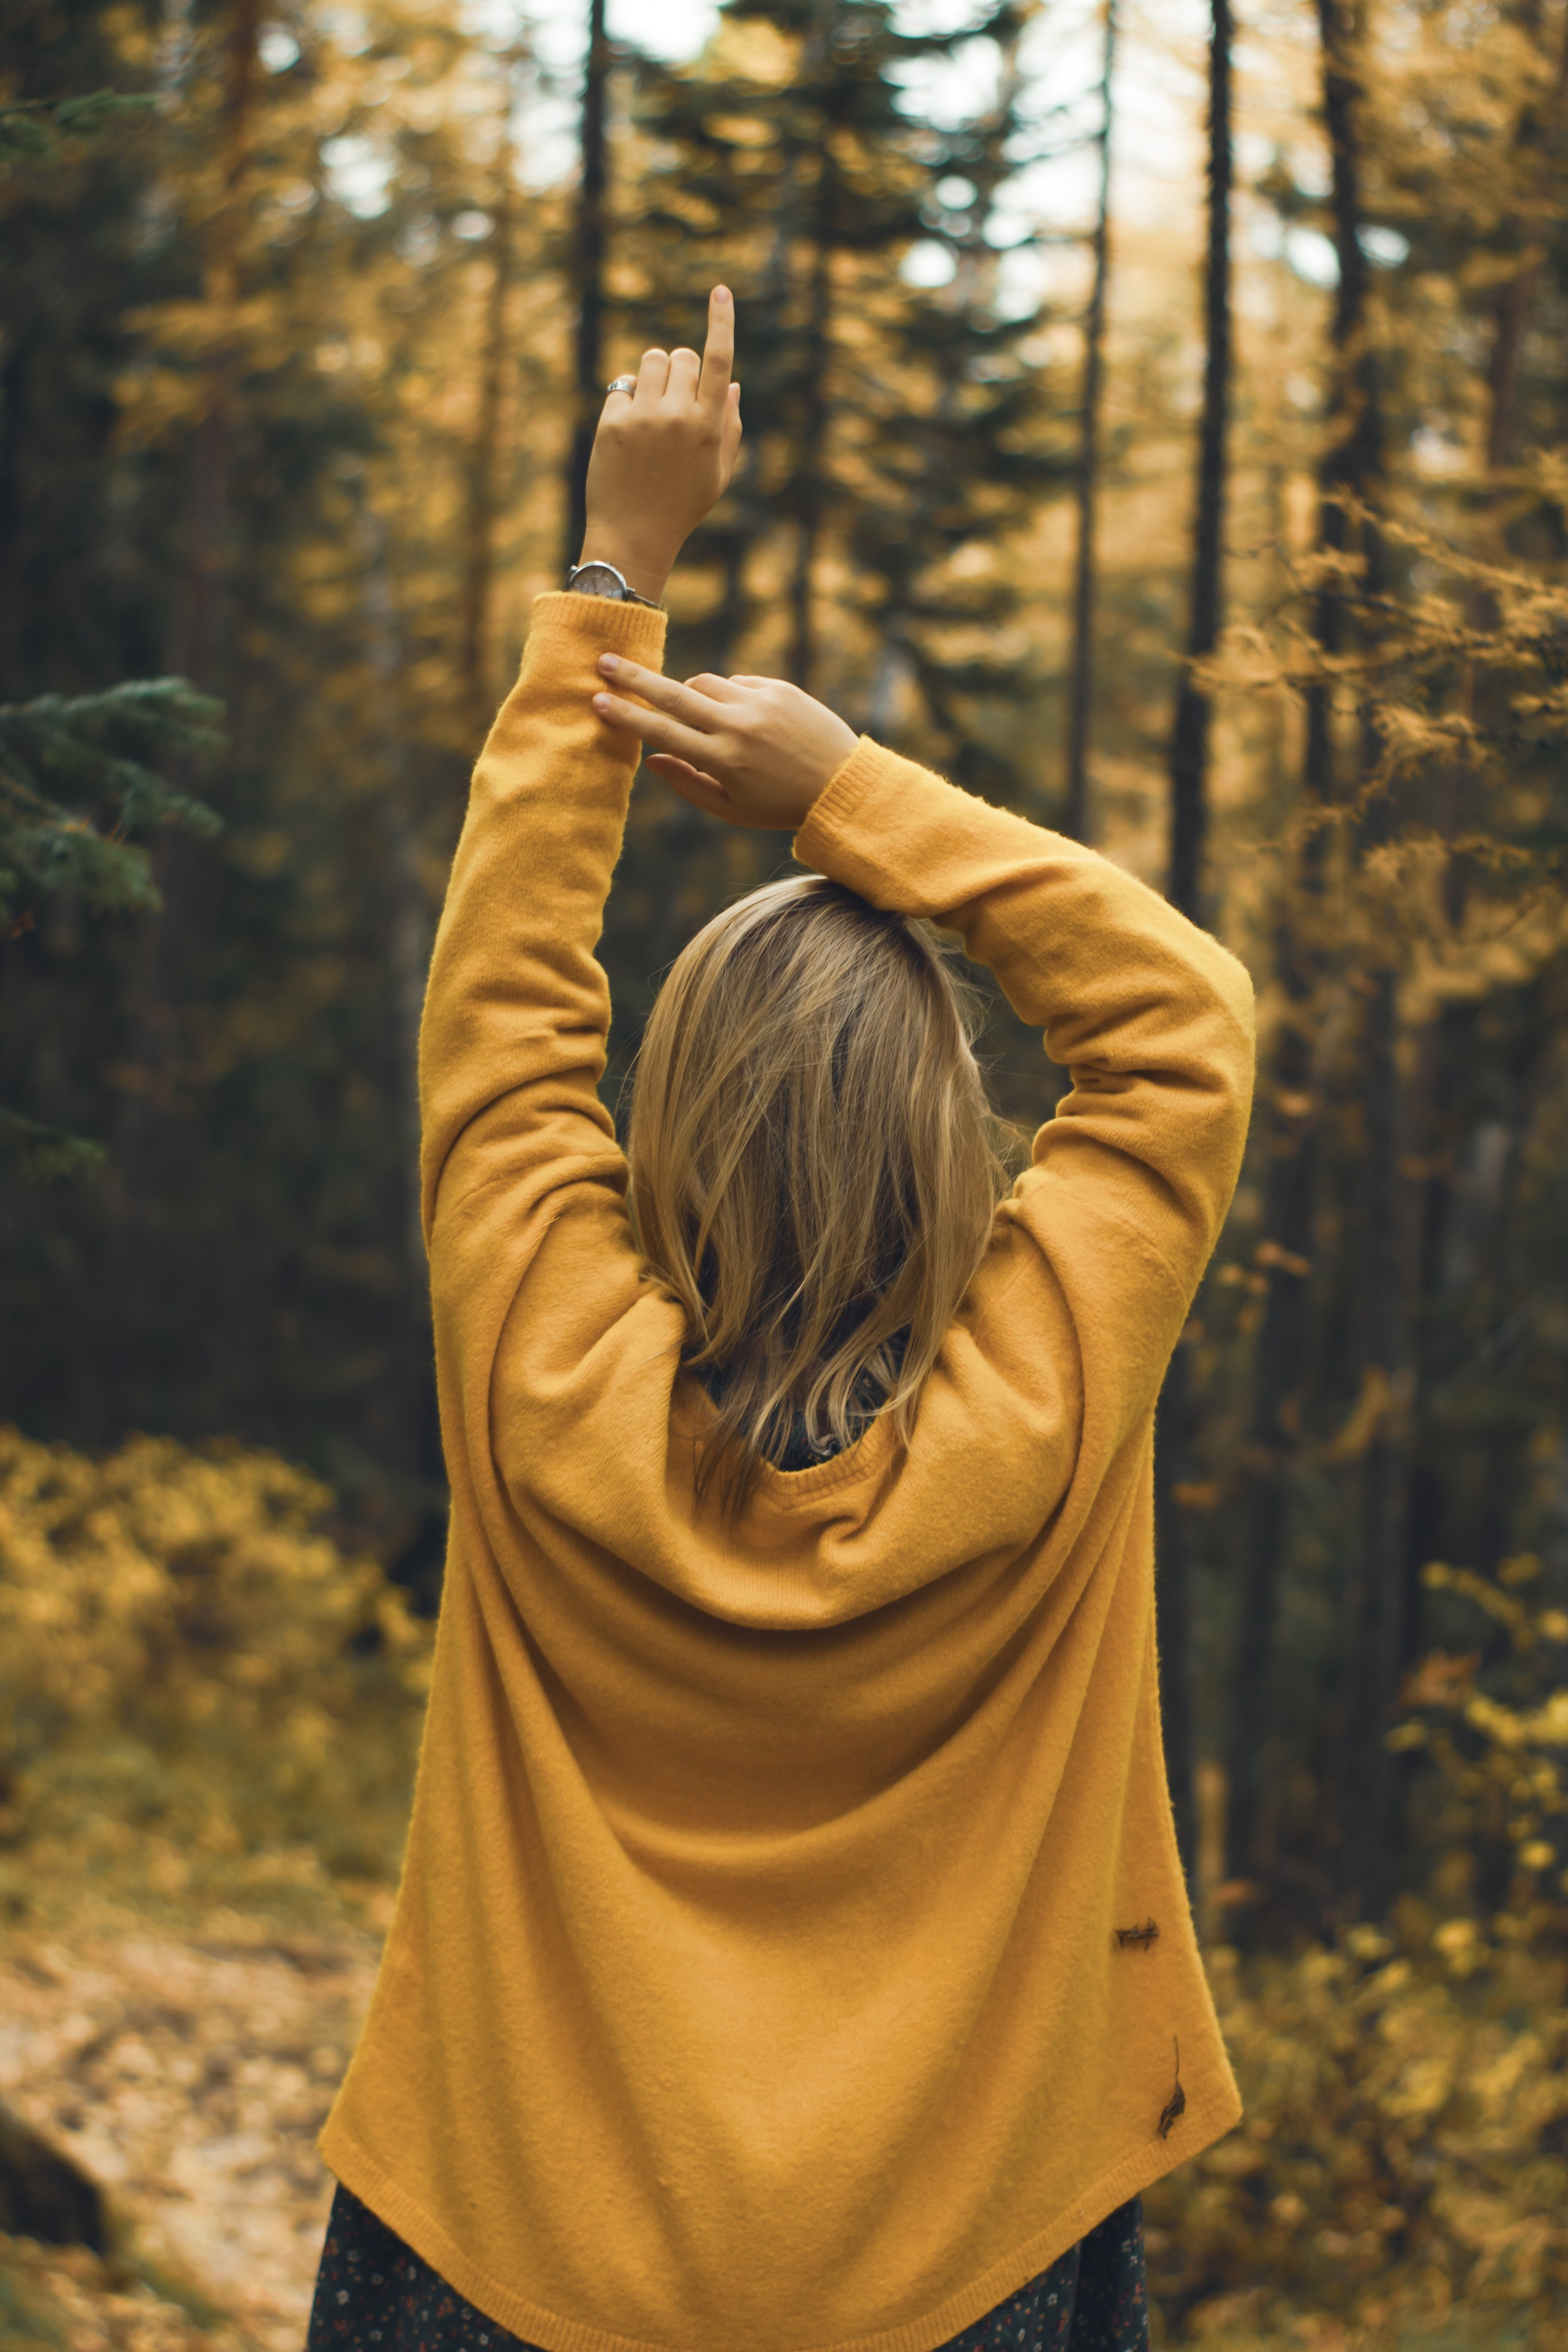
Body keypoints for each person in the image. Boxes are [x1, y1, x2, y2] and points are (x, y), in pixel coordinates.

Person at [308, 285, 1256, 2352]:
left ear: (666, 1122)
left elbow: (502, 1008)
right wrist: (848, 788)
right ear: (957, 1146)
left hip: (503, 2247)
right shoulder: (1056, 1385)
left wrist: (616, 571)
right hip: (969, 2261)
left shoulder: (539, 1348)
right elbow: (1182, 1023)